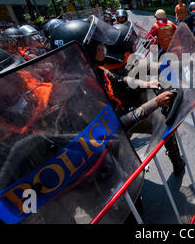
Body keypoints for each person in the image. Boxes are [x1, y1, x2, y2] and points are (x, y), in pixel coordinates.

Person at [50, 17, 186, 176]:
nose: (102, 46)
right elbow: (115, 125)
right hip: (109, 140)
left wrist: (145, 84)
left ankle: (176, 162)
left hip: (121, 122)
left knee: (160, 129)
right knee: (125, 176)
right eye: (96, 44)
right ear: (86, 51)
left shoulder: (96, 72)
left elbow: (120, 79)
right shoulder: (80, 92)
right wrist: (155, 102)